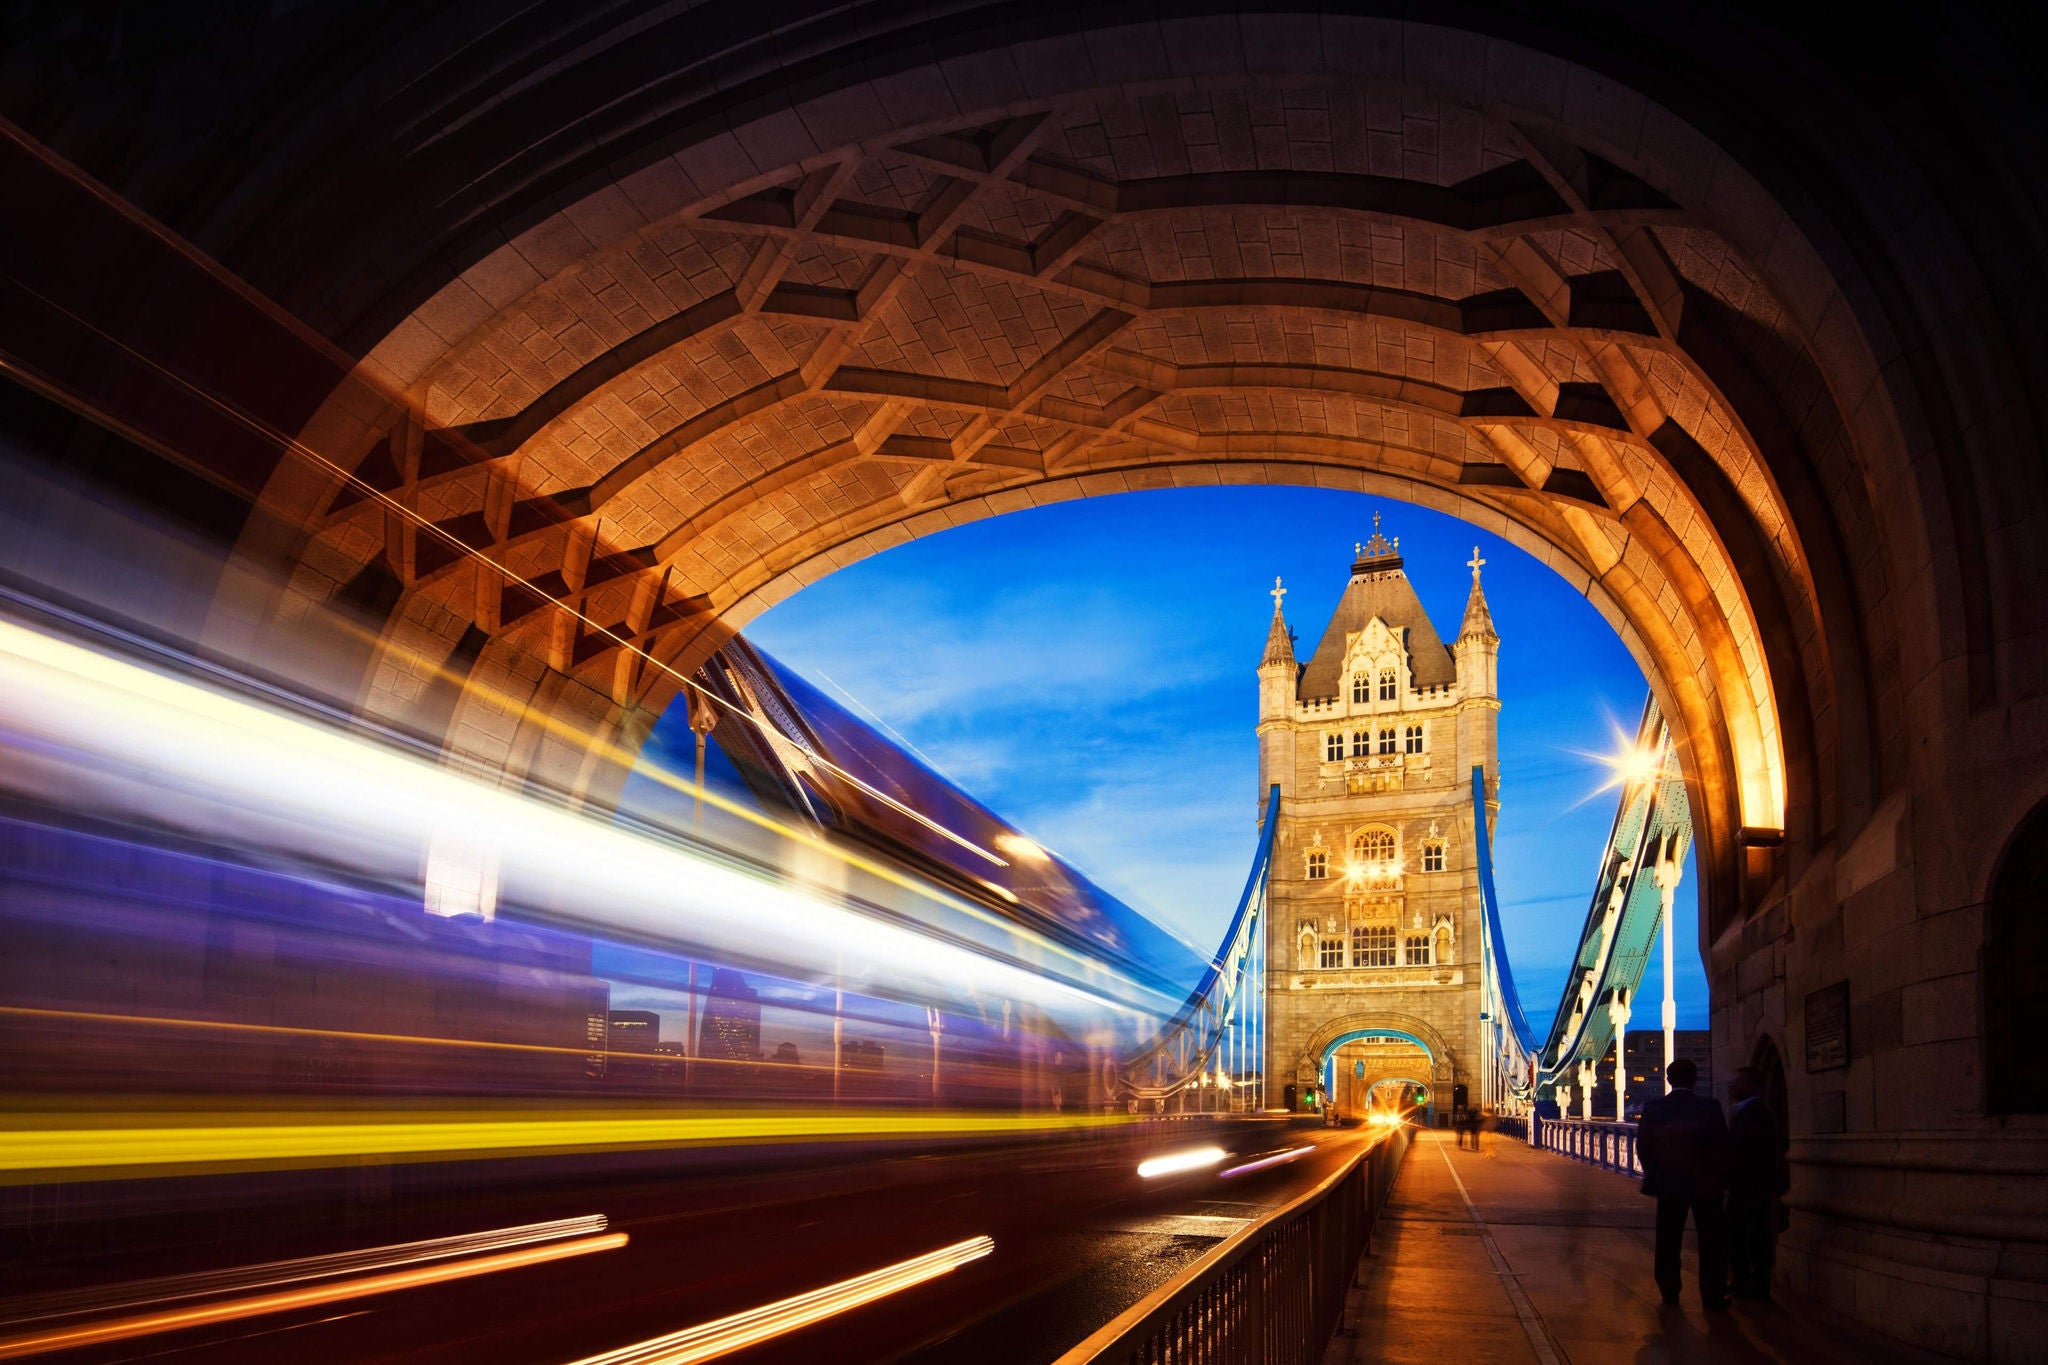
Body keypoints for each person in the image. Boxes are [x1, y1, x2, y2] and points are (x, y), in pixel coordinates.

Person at [1635, 1058, 1730, 1310]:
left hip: (1669, 1183)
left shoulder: (1655, 1108)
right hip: (1706, 1186)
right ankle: (1713, 1297)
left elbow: (1643, 1146)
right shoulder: (1710, 1107)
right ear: (1695, 1078)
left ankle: (1669, 1292)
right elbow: (1722, 1148)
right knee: (1711, 1242)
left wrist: (1655, 1173)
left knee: (1668, 1240)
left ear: (1668, 1079)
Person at [1726, 1065, 1790, 1300]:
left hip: (1750, 1187)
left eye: (1739, 1081)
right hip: (1747, 1187)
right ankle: (1747, 1283)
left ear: (1752, 1086)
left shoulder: (1756, 1114)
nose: (1732, 1085)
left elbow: (1753, 1152)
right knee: (1745, 1237)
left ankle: (1753, 1286)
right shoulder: (1750, 1112)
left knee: (1751, 1238)